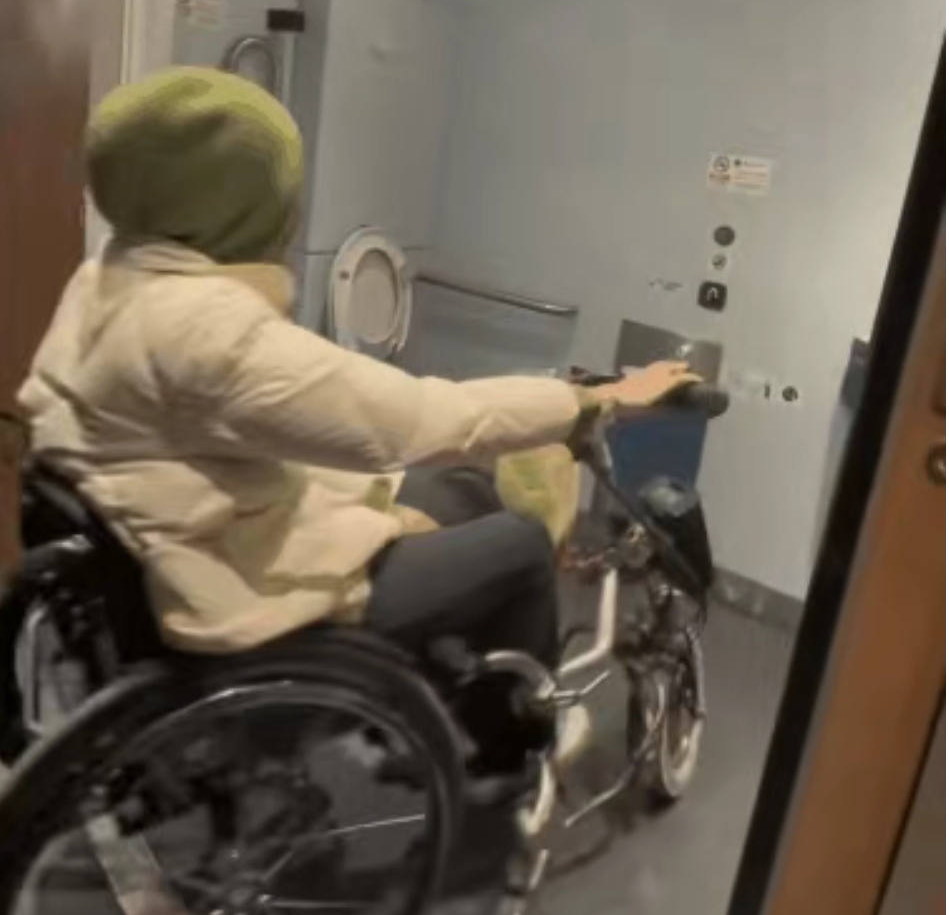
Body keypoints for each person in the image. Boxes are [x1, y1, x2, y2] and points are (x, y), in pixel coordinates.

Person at [17, 68, 697, 796]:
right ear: (239, 197)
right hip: (234, 601)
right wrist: (594, 401)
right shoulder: (206, 327)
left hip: (180, 552)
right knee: (521, 543)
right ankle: (512, 749)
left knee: (453, 488)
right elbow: (427, 418)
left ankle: (427, 697)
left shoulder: (108, 278)